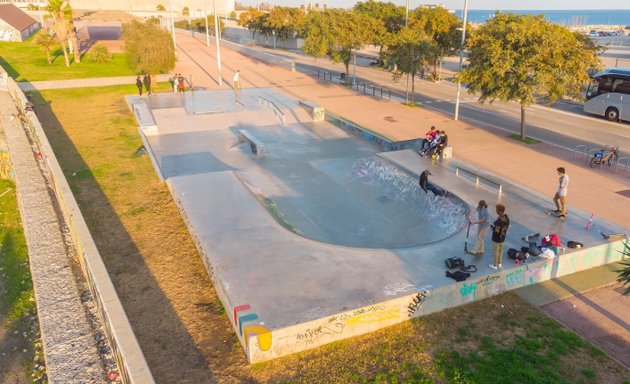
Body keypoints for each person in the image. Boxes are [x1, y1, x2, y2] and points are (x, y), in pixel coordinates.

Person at [489, 204, 510, 270]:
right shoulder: (507, 219)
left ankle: (495, 265)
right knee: (501, 250)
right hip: (502, 238)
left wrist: (492, 227)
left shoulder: (498, 221)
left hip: (497, 239)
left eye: (497, 210)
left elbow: (496, 231)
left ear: (500, 211)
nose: (496, 211)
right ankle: (499, 263)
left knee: (496, 251)